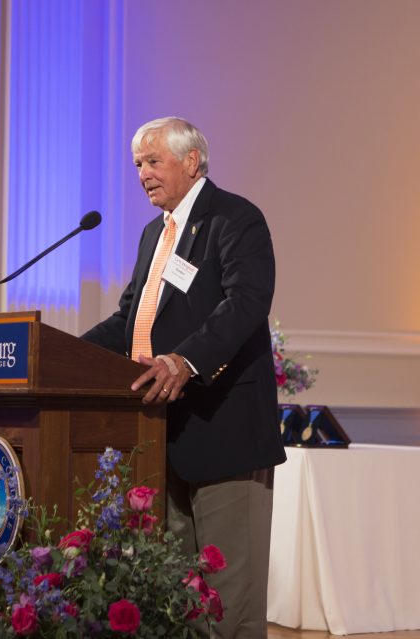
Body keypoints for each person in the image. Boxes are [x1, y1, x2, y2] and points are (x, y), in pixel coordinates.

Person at [82, 116, 285, 638]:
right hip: (162, 435)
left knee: (227, 597)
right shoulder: (155, 233)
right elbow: (131, 320)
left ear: (191, 160)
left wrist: (184, 360)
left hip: (224, 429)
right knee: (176, 598)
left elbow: (246, 303)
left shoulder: (234, 218)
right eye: (137, 166)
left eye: (153, 161)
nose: (142, 174)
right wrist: (62, 351)